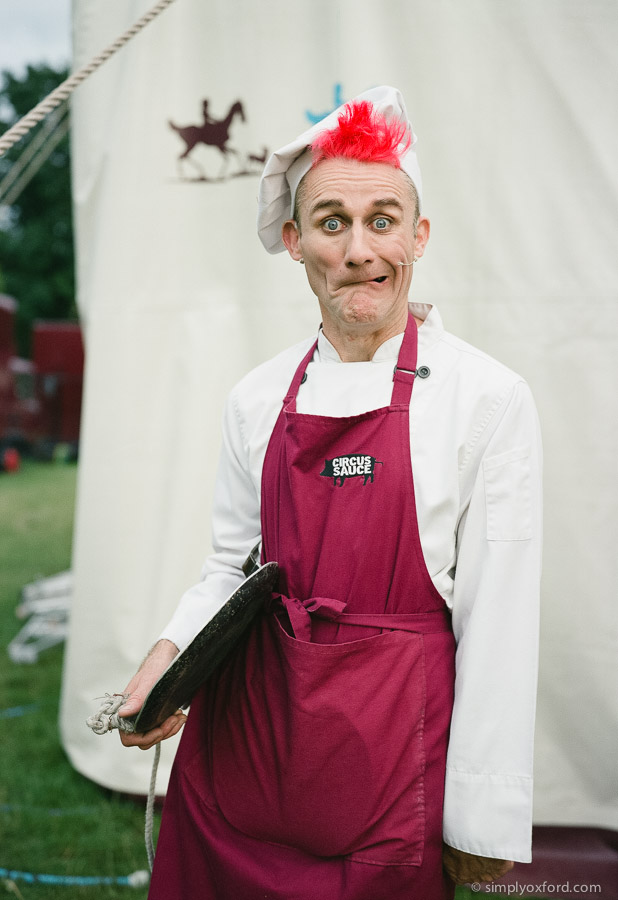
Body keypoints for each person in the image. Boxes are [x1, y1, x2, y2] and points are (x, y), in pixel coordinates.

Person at [118, 86, 542, 899]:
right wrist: (173, 656)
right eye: (331, 223)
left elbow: (501, 618)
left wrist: (480, 818)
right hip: (247, 742)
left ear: (418, 236)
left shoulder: (487, 400)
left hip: (391, 760)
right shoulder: (254, 398)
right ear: (293, 240)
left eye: (383, 220)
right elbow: (227, 568)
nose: (358, 250)